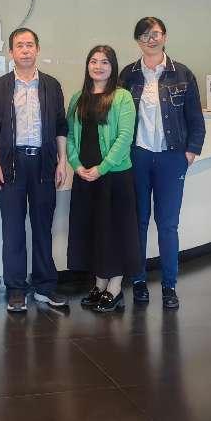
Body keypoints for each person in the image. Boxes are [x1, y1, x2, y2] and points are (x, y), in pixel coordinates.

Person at [119, 17, 206, 309]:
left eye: (155, 34)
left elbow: (196, 120)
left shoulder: (182, 73)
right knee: (139, 222)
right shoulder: (128, 75)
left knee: (168, 224)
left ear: (165, 36)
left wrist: (190, 152)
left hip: (172, 157)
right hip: (138, 156)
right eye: (144, 35)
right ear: (138, 41)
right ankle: (139, 281)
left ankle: (169, 285)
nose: (150, 39)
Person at [0, 27, 69, 313]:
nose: (25, 50)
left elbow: (61, 126)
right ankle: (16, 289)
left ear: (38, 49)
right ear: (11, 52)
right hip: (11, 165)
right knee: (13, 230)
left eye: (30, 45)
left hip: (44, 164)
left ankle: (45, 287)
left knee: (43, 228)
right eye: (19, 45)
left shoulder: (51, 86)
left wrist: (62, 161)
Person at [66, 45, 139, 313]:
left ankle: (115, 287)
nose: (98, 66)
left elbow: (125, 137)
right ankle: (99, 283)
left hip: (114, 176)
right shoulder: (78, 98)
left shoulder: (122, 97)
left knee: (115, 231)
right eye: (94, 61)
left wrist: (103, 167)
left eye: (105, 62)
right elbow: (70, 136)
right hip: (85, 177)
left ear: (113, 66)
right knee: (94, 231)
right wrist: (76, 165)